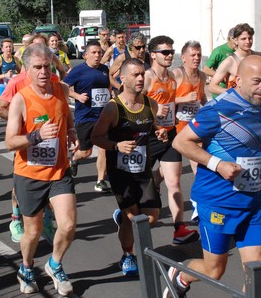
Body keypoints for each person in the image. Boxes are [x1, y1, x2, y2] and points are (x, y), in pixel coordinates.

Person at [164, 55, 261, 298]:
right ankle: (181, 276)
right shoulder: (218, 109)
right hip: (217, 202)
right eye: (257, 81)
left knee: (258, 270)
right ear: (237, 80)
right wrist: (217, 164)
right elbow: (181, 142)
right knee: (214, 268)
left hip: (252, 202)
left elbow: (253, 144)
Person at [5, 43, 78, 296]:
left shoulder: (61, 90)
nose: (43, 72)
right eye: (37, 67)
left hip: (59, 171)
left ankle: (55, 264)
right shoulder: (20, 99)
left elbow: (66, 116)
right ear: (27, 70)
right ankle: (26, 267)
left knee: (68, 225)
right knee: (33, 232)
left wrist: (71, 132)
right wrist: (35, 136)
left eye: (47, 66)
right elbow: (10, 141)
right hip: (29, 174)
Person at [91, 57, 166, 276]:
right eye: (136, 74)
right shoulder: (113, 109)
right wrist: (116, 145)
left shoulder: (151, 104)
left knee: (151, 218)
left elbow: (150, 128)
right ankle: (128, 255)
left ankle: (122, 216)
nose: (141, 78)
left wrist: (158, 131)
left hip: (142, 171)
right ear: (122, 78)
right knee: (133, 219)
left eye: (142, 73)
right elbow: (96, 137)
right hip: (120, 173)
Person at [142, 35, 199, 245]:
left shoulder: (172, 79)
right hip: (148, 137)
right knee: (139, 188)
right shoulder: (147, 77)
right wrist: (153, 115)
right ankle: (126, 217)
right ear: (153, 55)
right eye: (165, 52)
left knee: (174, 183)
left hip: (169, 135)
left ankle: (179, 228)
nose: (169, 55)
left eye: (171, 51)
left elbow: (170, 103)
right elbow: (130, 104)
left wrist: (169, 118)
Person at [63, 41, 111, 191]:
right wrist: (77, 96)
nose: (97, 55)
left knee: (104, 148)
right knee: (86, 152)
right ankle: (74, 158)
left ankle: (100, 181)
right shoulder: (78, 70)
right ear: (85, 55)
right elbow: (62, 86)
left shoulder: (104, 69)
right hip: (86, 116)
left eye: (99, 53)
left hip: (103, 116)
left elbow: (108, 87)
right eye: (94, 53)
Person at [208, 23, 256, 95]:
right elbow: (211, 87)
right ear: (236, 40)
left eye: (250, 38)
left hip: (255, 102)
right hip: (237, 104)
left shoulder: (259, 57)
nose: (248, 42)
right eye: (243, 39)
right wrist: (231, 93)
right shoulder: (230, 61)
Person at [173, 41, 207, 134]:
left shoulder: (202, 76)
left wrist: (210, 106)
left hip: (194, 124)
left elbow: (202, 96)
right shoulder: (177, 74)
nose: (197, 58)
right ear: (183, 58)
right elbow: (165, 100)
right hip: (177, 126)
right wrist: (184, 99)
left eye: (199, 55)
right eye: (193, 55)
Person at [0, 38, 20, 126]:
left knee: (11, 106)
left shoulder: (15, 59)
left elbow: (21, 72)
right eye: (6, 47)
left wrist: (17, 75)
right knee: (0, 106)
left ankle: (11, 123)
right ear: (2, 49)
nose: (8, 49)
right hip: (2, 85)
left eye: (10, 47)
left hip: (12, 85)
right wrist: (5, 75)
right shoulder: (0, 59)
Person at [203, 27, 236, 94]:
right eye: (234, 38)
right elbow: (206, 70)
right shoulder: (219, 51)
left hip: (234, 91)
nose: (236, 41)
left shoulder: (239, 51)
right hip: (220, 92)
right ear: (229, 38)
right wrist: (222, 76)